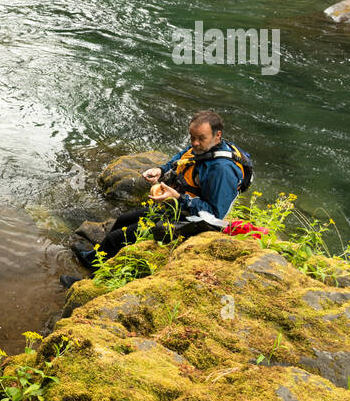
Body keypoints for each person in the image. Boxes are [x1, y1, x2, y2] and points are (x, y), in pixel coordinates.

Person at [70, 110, 253, 277]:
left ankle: (93, 278)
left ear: (217, 135)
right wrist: (160, 169)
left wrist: (178, 198)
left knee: (118, 237)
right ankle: (93, 258)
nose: (195, 143)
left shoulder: (222, 170)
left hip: (195, 222)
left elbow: (214, 215)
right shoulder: (204, 148)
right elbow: (183, 157)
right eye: (192, 137)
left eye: (200, 138)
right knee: (124, 220)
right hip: (179, 207)